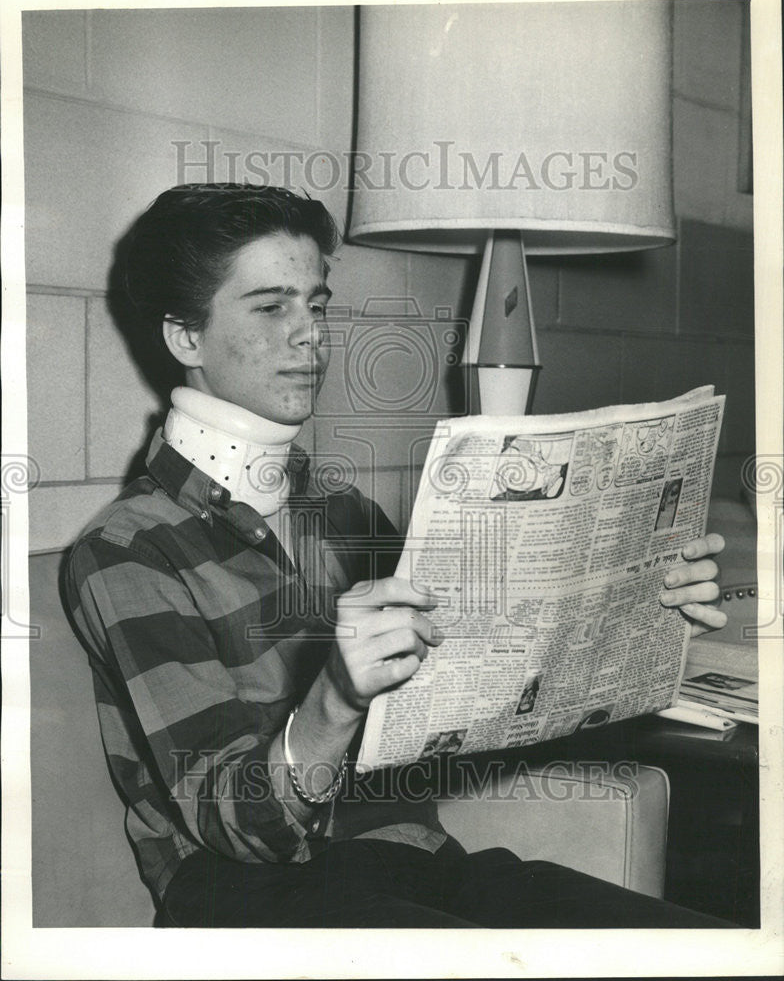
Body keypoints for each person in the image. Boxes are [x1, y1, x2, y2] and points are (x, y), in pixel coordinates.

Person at [65, 183, 731, 928]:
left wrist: (637, 611)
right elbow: (238, 829)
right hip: (249, 906)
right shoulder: (127, 552)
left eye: (315, 304)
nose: (311, 334)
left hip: (415, 865)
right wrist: (335, 700)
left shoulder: (346, 516)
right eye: (269, 307)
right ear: (185, 338)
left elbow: (477, 710)